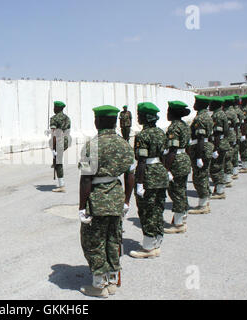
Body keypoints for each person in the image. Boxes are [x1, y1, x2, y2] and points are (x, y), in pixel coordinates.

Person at [78, 105, 134, 298]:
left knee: (94, 241)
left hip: (98, 200)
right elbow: (130, 175)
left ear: (98, 121)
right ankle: (112, 280)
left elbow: (86, 179)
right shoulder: (125, 144)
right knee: (113, 238)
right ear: (115, 122)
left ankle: (98, 284)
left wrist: (81, 207)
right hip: (116, 197)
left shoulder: (92, 146)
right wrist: (127, 200)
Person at [131, 102, 168, 259]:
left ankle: (148, 248)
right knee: (158, 208)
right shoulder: (161, 133)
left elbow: (142, 161)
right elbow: (165, 155)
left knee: (146, 211)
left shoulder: (143, 136)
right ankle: (157, 242)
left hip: (148, 175)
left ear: (145, 117)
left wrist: (139, 183)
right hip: (160, 172)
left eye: (139, 115)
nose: (138, 117)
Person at [163, 101, 191, 234]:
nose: (167, 114)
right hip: (184, 159)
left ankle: (178, 224)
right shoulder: (184, 125)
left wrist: (167, 169)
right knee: (181, 189)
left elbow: (173, 150)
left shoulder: (174, 127)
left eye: (168, 111)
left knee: (176, 192)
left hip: (177, 161)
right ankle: (182, 215)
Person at [188, 95, 213, 215]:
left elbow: (201, 137)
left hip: (201, 149)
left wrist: (198, 157)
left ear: (200, 104)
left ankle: (202, 205)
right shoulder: (206, 116)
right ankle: (205, 200)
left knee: (200, 178)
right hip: (205, 148)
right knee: (203, 175)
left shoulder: (200, 119)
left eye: (196, 102)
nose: (194, 104)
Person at [209, 97, 230, 200]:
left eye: (211, 103)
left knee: (215, 168)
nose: (209, 105)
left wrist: (215, 149)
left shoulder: (217, 116)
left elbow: (217, 133)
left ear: (215, 104)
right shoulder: (222, 114)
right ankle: (219, 189)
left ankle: (220, 191)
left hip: (219, 144)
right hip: (223, 143)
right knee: (219, 167)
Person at [50, 101, 71, 193]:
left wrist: (54, 147)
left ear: (57, 108)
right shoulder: (67, 118)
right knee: (57, 160)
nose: (53, 109)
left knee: (58, 163)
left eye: (54, 107)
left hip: (58, 141)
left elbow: (54, 133)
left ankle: (61, 186)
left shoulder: (54, 118)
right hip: (67, 140)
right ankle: (55, 163)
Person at [223, 96, 239, 187]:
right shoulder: (234, 112)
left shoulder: (227, 113)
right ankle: (231, 174)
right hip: (232, 135)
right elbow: (236, 125)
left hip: (227, 136)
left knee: (227, 157)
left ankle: (228, 178)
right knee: (231, 155)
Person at [233, 95, 244, 179]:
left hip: (234, 134)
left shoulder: (234, 111)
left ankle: (233, 172)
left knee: (233, 154)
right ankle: (234, 171)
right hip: (238, 133)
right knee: (235, 153)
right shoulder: (240, 111)